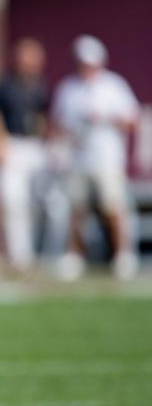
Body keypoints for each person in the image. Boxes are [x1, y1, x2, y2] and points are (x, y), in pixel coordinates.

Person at [52, 35, 140, 281]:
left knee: (113, 207)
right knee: (76, 209)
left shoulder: (114, 86)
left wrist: (105, 118)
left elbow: (131, 121)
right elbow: (57, 122)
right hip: (77, 157)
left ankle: (122, 254)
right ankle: (74, 256)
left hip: (107, 157)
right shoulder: (68, 88)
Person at [0, 38, 66, 273]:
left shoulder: (41, 86)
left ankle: (51, 254)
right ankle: (20, 256)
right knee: (13, 200)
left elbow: (47, 117)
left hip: (36, 148)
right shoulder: (4, 85)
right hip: (12, 144)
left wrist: (49, 144)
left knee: (48, 203)